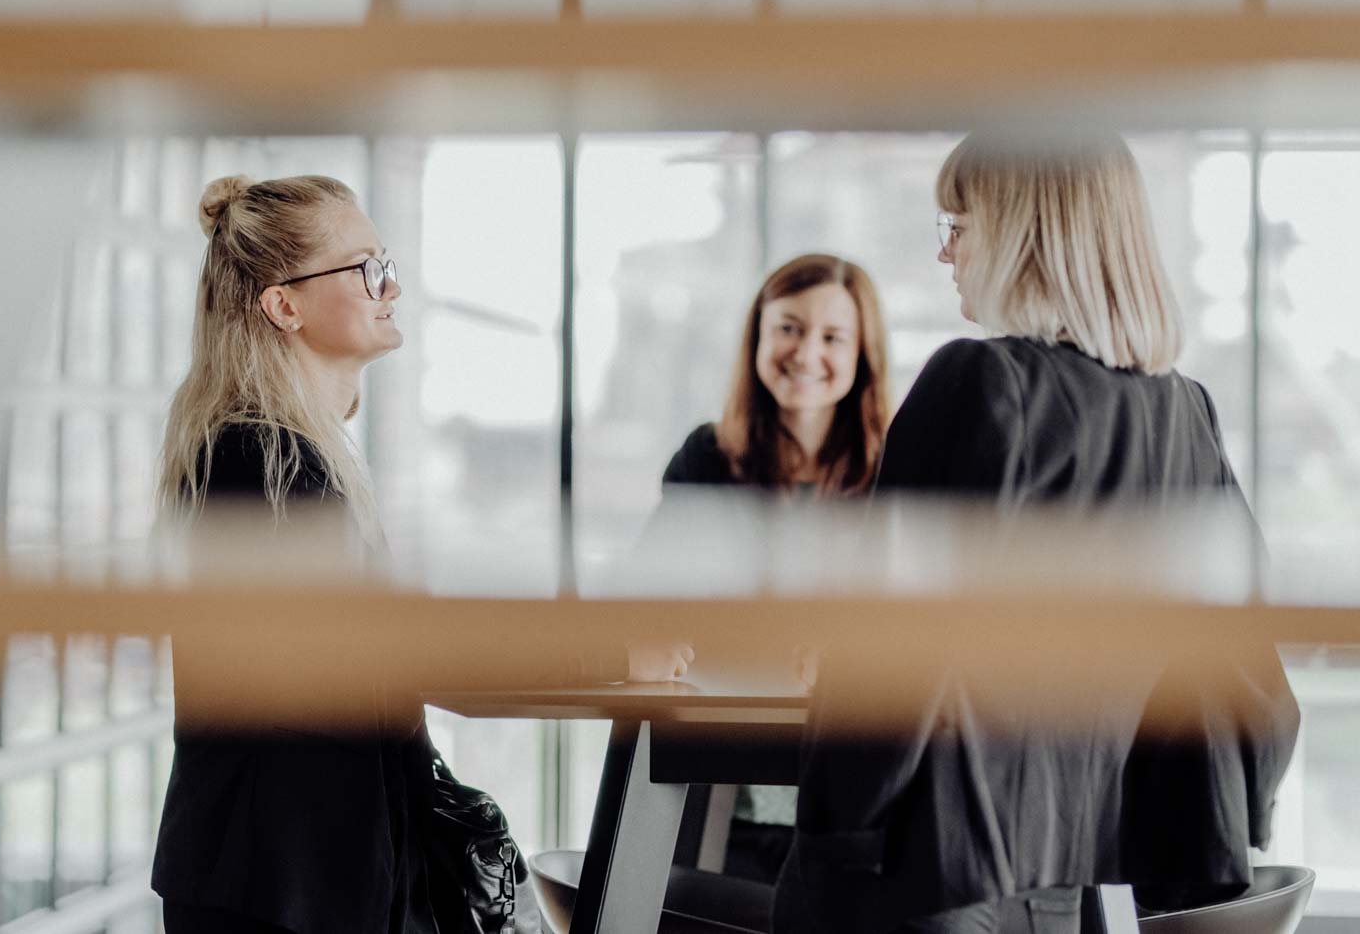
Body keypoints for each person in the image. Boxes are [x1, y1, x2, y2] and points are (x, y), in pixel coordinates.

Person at [773, 132, 1300, 933]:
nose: (947, 254)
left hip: (924, 876)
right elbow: (1248, 667)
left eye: (961, 223)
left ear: (1026, 234)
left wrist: (825, 845)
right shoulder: (1184, 414)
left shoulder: (980, 384)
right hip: (1078, 889)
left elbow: (885, 659)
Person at [150, 174, 693, 934]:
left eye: (389, 262)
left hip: (300, 878)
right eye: (367, 267)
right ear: (284, 304)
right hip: (275, 890)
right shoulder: (259, 461)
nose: (392, 285)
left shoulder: (291, 455)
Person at [660, 253, 892, 883]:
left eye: (833, 336)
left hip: (856, 800)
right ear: (758, 335)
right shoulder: (707, 457)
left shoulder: (898, 470)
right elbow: (652, 597)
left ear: (863, 352)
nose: (805, 351)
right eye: (789, 327)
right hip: (719, 786)